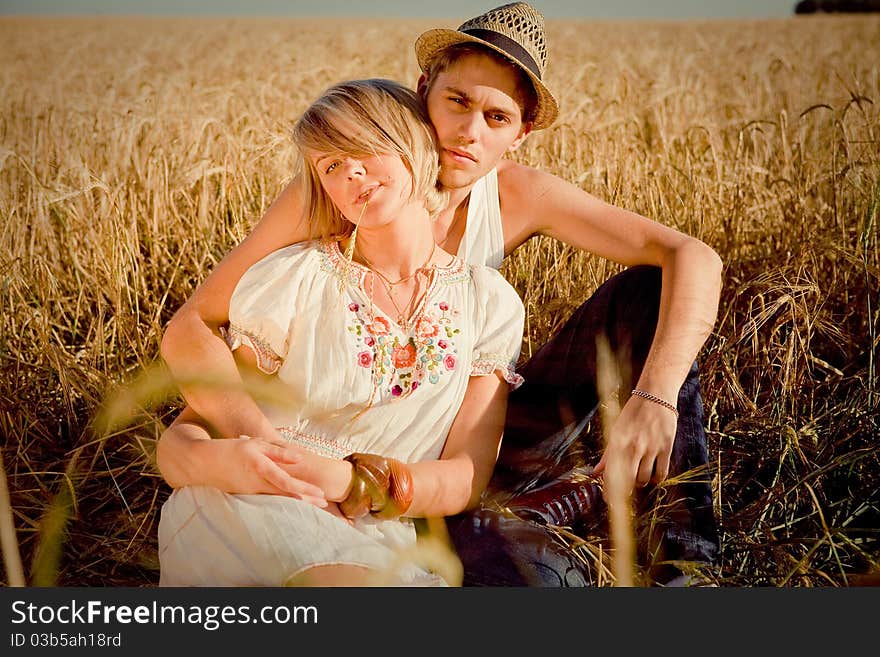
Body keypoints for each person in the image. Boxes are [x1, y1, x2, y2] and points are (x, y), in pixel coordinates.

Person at [157, 2, 723, 586]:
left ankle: (686, 568)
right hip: (353, 447)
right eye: (457, 101)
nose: (469, 132)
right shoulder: (350, 186)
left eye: (497, 118)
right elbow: (194, 326)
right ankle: (525, 527)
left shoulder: (515, 200)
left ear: (522, 132)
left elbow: (694, 257)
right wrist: (268, 451)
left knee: (653, 294)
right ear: (423, 88)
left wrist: (656, 395)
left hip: (464, 428)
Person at [156, 78, 526, 586]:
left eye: (364, 149)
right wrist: (254, 464)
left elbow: (467, 474)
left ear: (413, 147)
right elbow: (197, 425)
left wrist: (354, 482)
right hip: (256, 507)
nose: (351, 171)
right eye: (330, 166)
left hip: (381, 529)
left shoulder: (490, 304)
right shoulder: (295, 278)